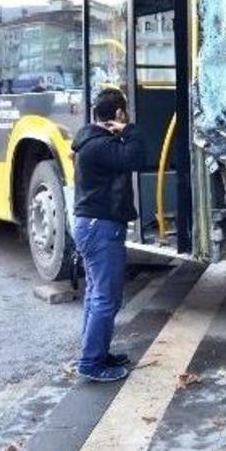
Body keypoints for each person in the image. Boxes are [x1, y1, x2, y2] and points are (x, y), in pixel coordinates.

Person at [70, 87, 146, 383]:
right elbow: (137, 157)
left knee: (96, 294)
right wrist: (130, 129)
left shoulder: (91, 141)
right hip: (100, 227)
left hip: (92, 226)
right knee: (106, 298)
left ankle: (96, 353)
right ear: (119, 113)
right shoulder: (100, 145)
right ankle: (91, 362)